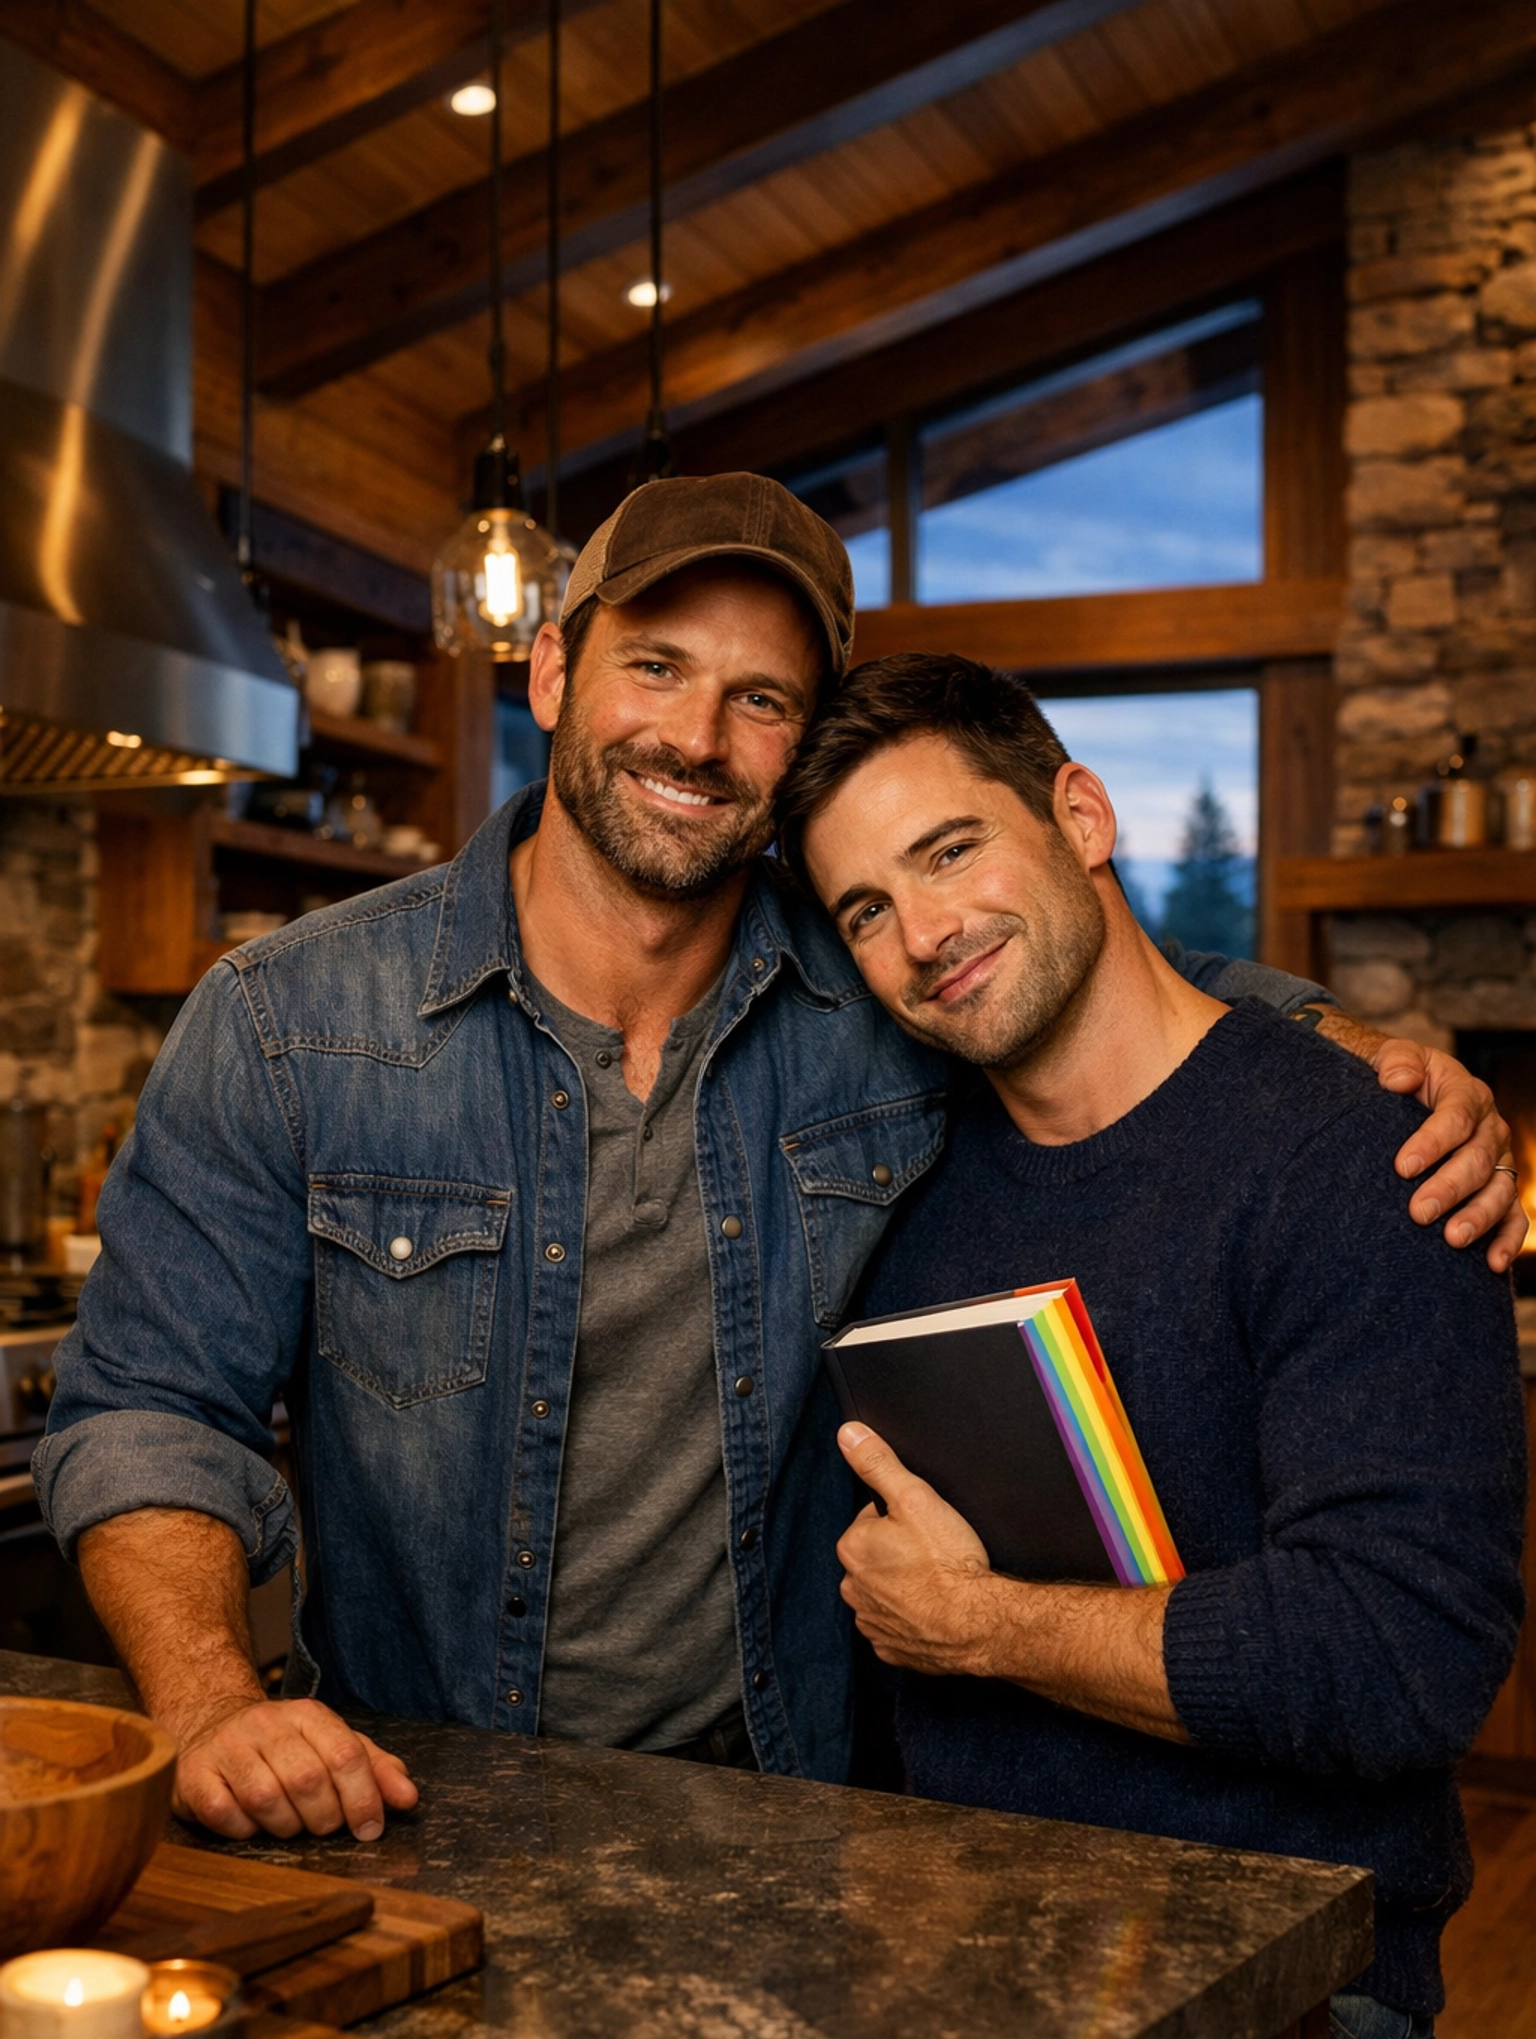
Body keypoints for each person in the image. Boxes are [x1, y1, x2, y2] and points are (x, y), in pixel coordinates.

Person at [37, 479, 1522, 1851]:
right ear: (553, 672)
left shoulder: (868, 994)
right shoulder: (291, 1024)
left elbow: (1107, 971)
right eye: (658, 665)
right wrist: (214, 1704)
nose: (697, 737)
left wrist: (1364, 1058)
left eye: (761, 700)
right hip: (423, 1810)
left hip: (798, 1828)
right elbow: (153, 1409)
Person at [777, 652, 1528, 2039]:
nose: (923, 933)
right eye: (863, 910)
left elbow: (1394, 1661)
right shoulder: (905, 1213)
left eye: (952, 850)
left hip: (1280, 2021)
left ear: (1083, 816)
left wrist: (983, 1630)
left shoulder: (1364, 1155)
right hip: (962, 2001)